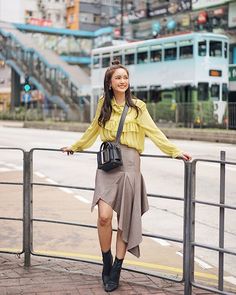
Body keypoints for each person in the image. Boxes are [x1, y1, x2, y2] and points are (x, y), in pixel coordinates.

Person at [61, 60, 192, 292]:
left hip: (131, 165)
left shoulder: (138, 107)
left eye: (125, 77)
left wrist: (175, 151)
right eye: (118, 78)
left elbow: (154, 132)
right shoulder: (104, 104)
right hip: (108, 165)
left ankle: (117, 270)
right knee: (104, 216)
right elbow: (93, 129)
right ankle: (106, 262)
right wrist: (75, 146)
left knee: (125, 220)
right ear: (110, 83)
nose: (123, 81)